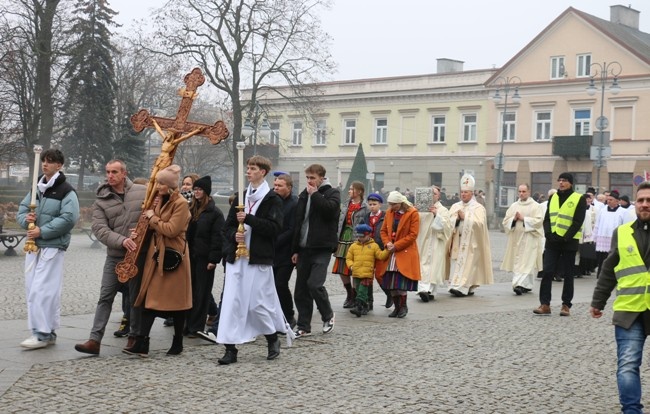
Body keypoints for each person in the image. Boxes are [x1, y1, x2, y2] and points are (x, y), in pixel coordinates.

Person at [216, 155, 289, 365]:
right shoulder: (241, 196)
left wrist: (249, 220)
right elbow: (227, 227)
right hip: (236, 260)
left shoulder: (272, 199)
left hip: (258, 259)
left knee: (258, 304)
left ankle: (272, 337)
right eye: (247, 168)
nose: (248, 171)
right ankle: (230, 348)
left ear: (263, 172)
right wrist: (233, 235)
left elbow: (274, 228)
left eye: (253, 168)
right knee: (231, 303)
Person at [74, 160, 146, 355]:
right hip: (115, 256)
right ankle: (94, 340)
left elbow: (153, 214)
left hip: (138, 256)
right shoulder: (101, 199)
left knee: (135, 298)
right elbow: (100, 229)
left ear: (124, 173)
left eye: (114, 172)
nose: (110, 175)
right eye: (107, 172)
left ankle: (135, 337)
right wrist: (122, 240)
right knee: (105, 297)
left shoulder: (142, 191)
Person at [590, 181, 650, 414]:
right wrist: (598, 301)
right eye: (641, 200)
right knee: (627, 365)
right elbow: (609, 269)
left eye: (649, 200)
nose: (645, 205)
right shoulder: (622, 233)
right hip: (629, 310)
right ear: (636, 204)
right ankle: (631, 411)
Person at [124, 164, 192, 357]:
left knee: (177, 303)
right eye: (158, 182)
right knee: (150, 299)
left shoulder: (180, 203)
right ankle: (142, 343)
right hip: (157, 256)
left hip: (173, 257)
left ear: (170, 185)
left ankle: (177, 341)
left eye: (161, 183)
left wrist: (153, 218)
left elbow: (171, 229)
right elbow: (155, 225)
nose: (158, 186)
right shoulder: (159, 200)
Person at [17, 148, 80, 348]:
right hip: (34, 246)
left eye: (50, 161)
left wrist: (42, 231)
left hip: (52, 245)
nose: (45, 164)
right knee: (32, 289)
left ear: (59, 165)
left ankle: (41, 333)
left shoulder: (66, 191)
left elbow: (69, 218)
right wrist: (27, 221)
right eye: (44, 160)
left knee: (43, 290)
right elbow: (22, 210)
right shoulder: (37, 188)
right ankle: (48, 330)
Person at [292, 164, 339, 338]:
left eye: (313, 178)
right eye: (308, 178)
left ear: (321, 177)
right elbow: (299, 222)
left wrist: (315, 194)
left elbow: (329, 211)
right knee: (301, 289)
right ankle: (304, 325)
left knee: (315, 284)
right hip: (304, 248)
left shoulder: (332, 193)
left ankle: (328, 315)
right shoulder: (304, 195)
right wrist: (295, 249)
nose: (310, 181)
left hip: (322, 247)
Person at [533, 172, 587, 316]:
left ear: (571, 183)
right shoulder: (553, 197)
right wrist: (548, 233)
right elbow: (548, 218)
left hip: (569, 241)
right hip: (552, 241)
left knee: (568, 274)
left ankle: (566, 305)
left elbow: (578, 221)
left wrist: (566, 237)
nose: (561, 183)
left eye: (564, 180)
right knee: (547, 271)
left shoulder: (578, 199)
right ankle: (545, 304)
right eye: (560, 180)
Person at [185, 175, 224, 337]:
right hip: (190, 256)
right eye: (195, 189)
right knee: (190, 291)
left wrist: (213, 259)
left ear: (206, 192)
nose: (196, 192)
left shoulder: (214, 212)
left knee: (202, 293)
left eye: (199, 189)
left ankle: (196, 326)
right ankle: (187, 324)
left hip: (204, 258)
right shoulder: (191, 209)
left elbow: (217, 237)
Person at [447, 174, 493, 297]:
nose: (463, 194)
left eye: (466, 192)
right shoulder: (455, 206)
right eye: (462, 192)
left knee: (469, 265)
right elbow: (448, 223)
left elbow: (480, 224)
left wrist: (465, 217)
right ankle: (455, 285)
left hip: (472, 242)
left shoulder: (478, 208)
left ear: (471, 193)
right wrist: (456, 219)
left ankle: (462, 287)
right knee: (457, 263)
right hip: (457, 241)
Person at [380, 191, 421, 317]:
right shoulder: (389, 213)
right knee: (391, 284)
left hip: (404, 251)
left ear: (400, 203)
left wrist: (396, 246)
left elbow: (413, 235)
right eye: (390, 205)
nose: (392, 207)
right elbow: (383, 231)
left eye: (394, 205)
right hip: (390, 252)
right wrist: (387, 243)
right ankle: (396, 307)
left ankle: (403, 307)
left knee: (400, 283)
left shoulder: (413, 213)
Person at [500, 183, 543, 295]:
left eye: (524, 191)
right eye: (519, 191)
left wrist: (524, 219)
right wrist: (513, 220)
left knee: (526, 262)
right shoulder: (514, 206)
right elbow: (505, 221)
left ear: (528, 192)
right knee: (519, 262)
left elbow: (539, 221)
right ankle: (526, 285)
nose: (521, 194)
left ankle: (518, 284)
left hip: (529, 238)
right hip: (516, 239)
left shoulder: (535, 206)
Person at [333, 181, 368, 308]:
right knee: (342, 267)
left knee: (355, 269)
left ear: (359, 192)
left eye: (352, 189)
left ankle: (355, 295)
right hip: (343, 237)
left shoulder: (365, 207)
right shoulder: (346, 204)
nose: (349, 191)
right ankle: (349, 294)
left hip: (356, 239)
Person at [416, 185, 452, 302]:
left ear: (439, 196)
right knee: (423, 265)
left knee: (434, 266)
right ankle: (423, 290)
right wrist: (414, 211)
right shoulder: (420, 209)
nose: (432, 196)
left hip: (436, 243)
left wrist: (437, 215)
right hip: (422, 242)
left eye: (434, 194)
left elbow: (447, 228)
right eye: (429, 194)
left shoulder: (443, 210)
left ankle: (430, 291)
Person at [272, 173, 298, 328]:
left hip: (286, 251)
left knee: (280, 284)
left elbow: (292, 229)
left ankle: (289, 315)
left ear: (289, 187)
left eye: (279, 186)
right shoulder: (273, 201)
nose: (276, 188)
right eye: (275, 185)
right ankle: (277, 315)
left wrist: (275, 240)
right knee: (271, 286)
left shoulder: (294, 203)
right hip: (272, 251)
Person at [346, 224, 389, 317]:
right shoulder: (353, 246)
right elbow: (348, 258)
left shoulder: (374, 246)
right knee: (359, 290)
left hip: (367, 274)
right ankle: (365, 306)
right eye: (359, 236)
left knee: (362, 291)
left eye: (363, 236)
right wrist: (351, 266)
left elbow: (381, 256)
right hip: (356, 273)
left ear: (368, 235)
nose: (360, 238)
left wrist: (387, 250)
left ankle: (358, 307)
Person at [364, 192, 392, 308]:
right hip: (368, 250)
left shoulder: (385, 216)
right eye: (370, 204)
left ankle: (389, 294)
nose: (372, 206)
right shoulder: (366, 217)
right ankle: (369, 301)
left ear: (380, 204)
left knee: (380, 275)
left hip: (381, 249)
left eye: (374, 204)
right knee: (367, 276)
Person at [593, 190, 626, 277]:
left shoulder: (623, 211)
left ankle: (613, 275)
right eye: (608, 199)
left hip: (614, 239)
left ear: (617, 201)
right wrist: (594, 236)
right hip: (602, 238)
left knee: (613, 258)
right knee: (602, 258)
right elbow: (597, 223)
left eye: (611, 199)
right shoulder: (602, 210)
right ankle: (600, 274)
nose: (608, 201)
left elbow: (624, 225)